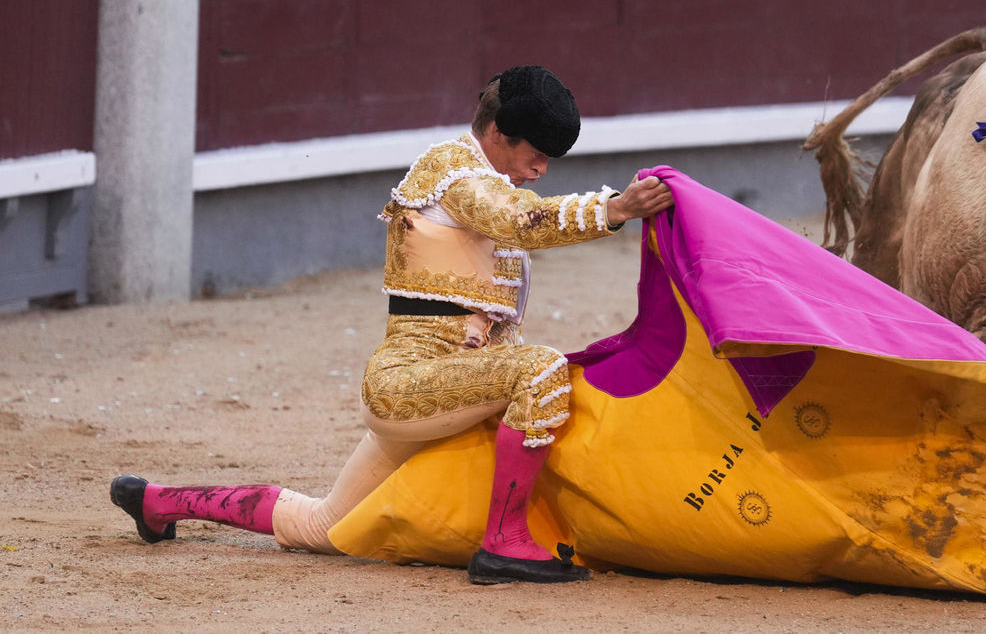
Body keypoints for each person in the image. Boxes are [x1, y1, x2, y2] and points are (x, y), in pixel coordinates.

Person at [110, 66, 674, 584]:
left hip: (448, 382)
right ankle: (504, 542)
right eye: (537, 153)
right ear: (498, 131)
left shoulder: (484, 180)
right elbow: (515, 220)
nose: (541, 169)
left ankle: (161, 502)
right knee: (541, 371)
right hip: (411, 380)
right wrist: (612, 210)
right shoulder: (452, 169)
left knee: (323, 527)